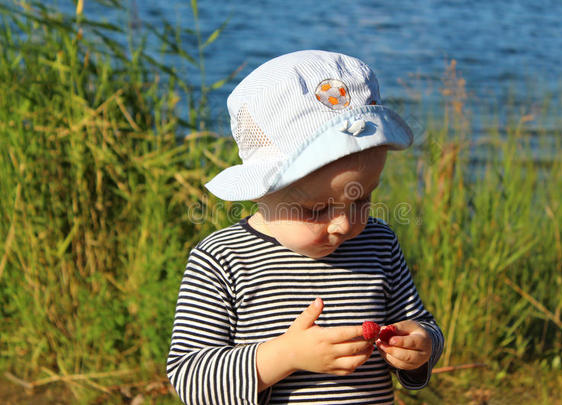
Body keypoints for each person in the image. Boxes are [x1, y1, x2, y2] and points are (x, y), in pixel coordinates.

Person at [166, 50, 444, 405]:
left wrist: (420, 347)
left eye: (361, 200)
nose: (343, 224)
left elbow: (420, 323)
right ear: (260, 191)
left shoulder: (379, 243)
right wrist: (285, 356)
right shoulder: (222, 259)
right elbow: (191, 377)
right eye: (316, 210)